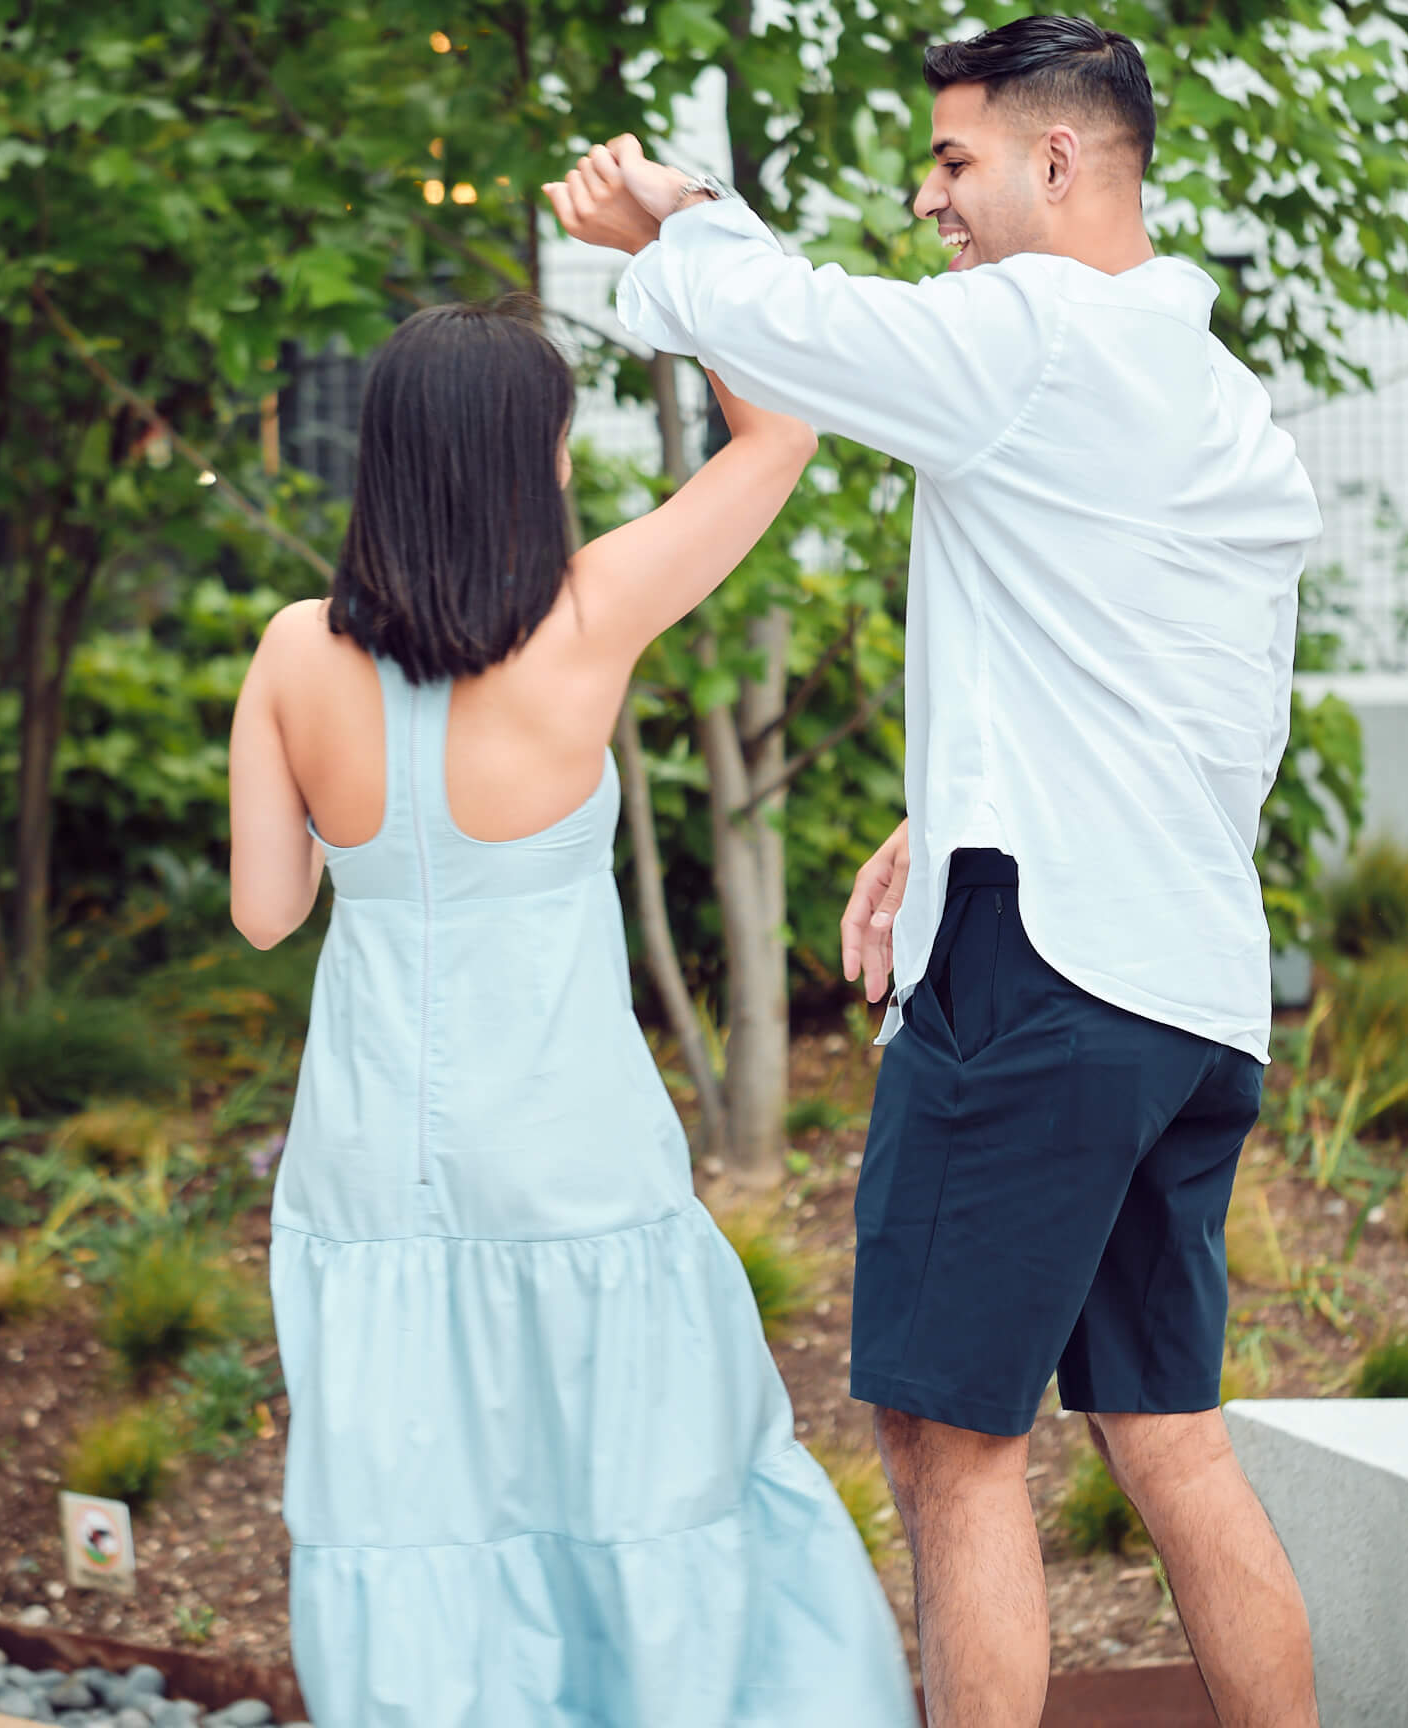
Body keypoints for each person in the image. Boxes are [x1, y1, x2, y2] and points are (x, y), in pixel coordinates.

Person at [543, 16, 1324, 1728]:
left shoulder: (1040, 332)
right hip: (1186, 978)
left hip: (1041, 980)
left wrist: (676, 212)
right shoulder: (1212, 388)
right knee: (1169, 1439)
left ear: (1060, 162)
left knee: (948, 1445)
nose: (929, 198)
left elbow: (802, 332)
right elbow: (1189, 711)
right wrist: (952, 809)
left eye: (955, 160)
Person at [224, 295, 916, 1728]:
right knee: (643, 1491)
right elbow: (777, 430)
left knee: (421, 1521)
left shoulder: (294, 651)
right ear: (527, 460)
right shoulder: (590, 616)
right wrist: (680, 252)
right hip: (572, 1160)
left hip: (375, 1179)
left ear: (391, 462)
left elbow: (267, 910)